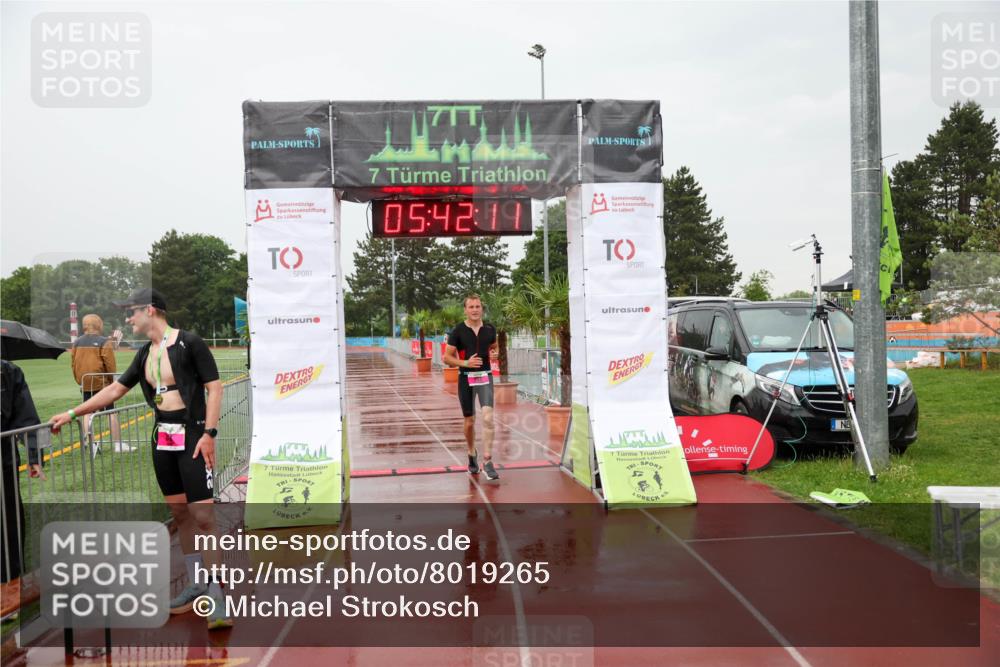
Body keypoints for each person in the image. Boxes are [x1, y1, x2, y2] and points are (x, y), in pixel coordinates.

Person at [49, 288, 231, 630]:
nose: (127, 319)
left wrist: (210, 433)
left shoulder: (189, 343)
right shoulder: (145, 353)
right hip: (162, 437)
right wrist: (72, 412)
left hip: (193, 435)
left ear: (150, 310)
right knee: (179, 513)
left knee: (203, 514)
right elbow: (115, 389)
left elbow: (215, 387)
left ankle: (218, 593)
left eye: (131, 312)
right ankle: (195, 585)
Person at [443, 293, 500, 481]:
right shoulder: (458, 331)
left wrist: (494, 354)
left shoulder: (490, 329)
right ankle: (471, 453)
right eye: (471, 307)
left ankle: (488, 460)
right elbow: (447, 358)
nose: (475, 310)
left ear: (482, 308)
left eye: (478, 306)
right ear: (465, 310)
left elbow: (494, 346)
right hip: (466, 378)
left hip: (485, 377)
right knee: (469, 421)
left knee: (488, 417)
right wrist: (466, 363)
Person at [1, 360, 44, 585]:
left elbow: (27, 417)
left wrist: (35, 456)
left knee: (8, 521)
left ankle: (10, 583)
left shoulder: (8, 372)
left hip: (4, 461)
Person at [71, 314, 128, 453]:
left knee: (87, 413)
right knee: (111, 412)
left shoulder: (76, 343)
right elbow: (110, 366)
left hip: (85, 382)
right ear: (99, 324)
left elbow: (73, 365)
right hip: (102, 383)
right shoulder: (104, 342)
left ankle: (89, 444)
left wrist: (80, 381)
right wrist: (110, 381)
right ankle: (118, 444)